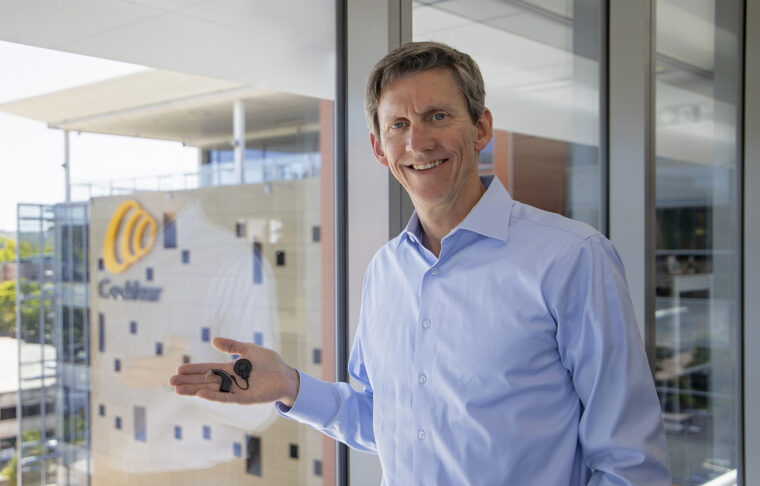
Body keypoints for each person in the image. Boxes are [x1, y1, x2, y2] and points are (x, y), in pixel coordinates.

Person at [170, 41, 671, 485]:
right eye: (399, 125)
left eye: (438, 116)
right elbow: (385, 423)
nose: (418, 143)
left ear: (480, 128)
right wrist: (291, 387)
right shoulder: (385, 272)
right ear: (379, 149)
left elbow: (630, 463)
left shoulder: (572, 258)